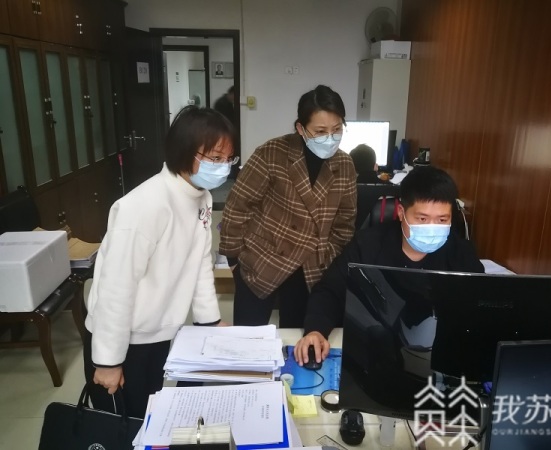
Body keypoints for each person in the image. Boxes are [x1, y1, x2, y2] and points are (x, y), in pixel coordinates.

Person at [83, 106, 237, 418]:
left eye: (227, 159)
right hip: (122, 338)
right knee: (123, 426)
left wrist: (209, 321)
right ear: (184, 151)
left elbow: (199, 264)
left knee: (149, 416)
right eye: (214, 158)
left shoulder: (200, 196)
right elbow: (116, 288)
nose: (222, 167)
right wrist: (109, 362)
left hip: (159, 332)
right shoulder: (144, 206)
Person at [293, 165, 485, 366]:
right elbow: (330, 290)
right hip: (374, 348)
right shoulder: (368, 244)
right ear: (401, 212)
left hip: (439, 354)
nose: (432, 228)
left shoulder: (461, 253)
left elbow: (478, 306)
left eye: (442, 219)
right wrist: (316, 330)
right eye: (422, 219)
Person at [219, 85, 357, 328]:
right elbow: (238, 205)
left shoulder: (345, 165)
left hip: (310, 265)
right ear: (301, 129)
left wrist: (327, 255)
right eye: (320, 131)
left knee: (296, 338)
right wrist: (233, 257)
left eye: (337, 129)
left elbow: (344, 225)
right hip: (262, 257)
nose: (330, 138)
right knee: (248, 336)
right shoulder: (273, 153)